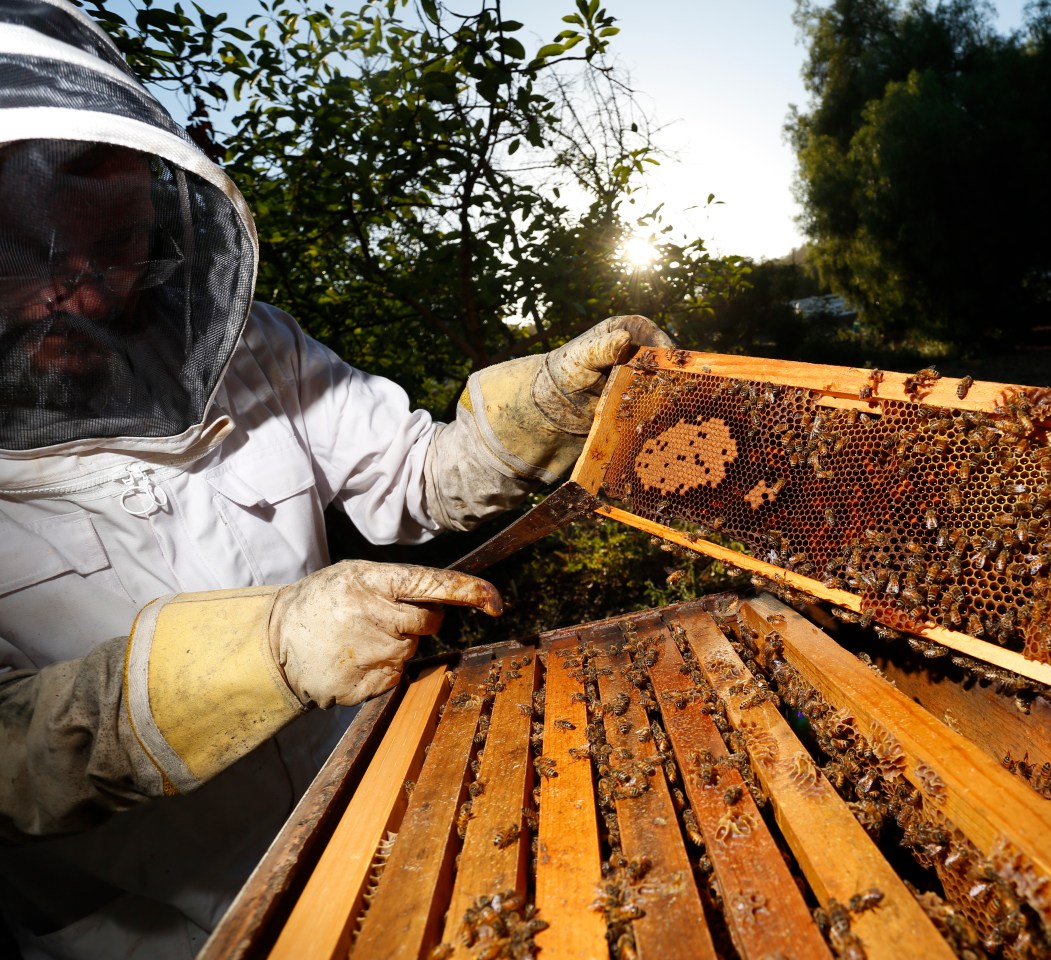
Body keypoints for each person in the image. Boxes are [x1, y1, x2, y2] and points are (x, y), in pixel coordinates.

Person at [0, 1, 672, 956]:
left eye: (120, 246)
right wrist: (263, 651)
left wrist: (545, 405)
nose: (95, 292)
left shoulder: (247, 346)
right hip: (161, 931)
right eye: (33, 255)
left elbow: (414, 481)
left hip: (382, 822)